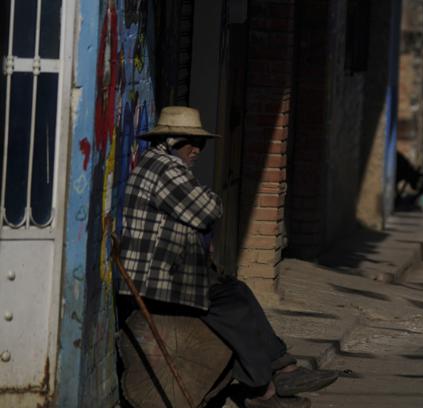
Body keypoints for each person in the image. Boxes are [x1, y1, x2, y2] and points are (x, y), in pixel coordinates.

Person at [119, 106, 339, 408]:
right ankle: (263, 389)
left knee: (238, 292)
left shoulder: (161, 166)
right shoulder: (165, 169)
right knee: (233, 308)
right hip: (156, 281)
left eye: (201, 144)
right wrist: (210, 202)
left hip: (168, 272)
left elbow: (201, 210)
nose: (197, 150)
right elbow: (209, 209)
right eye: (190, 143)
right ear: (170, 142)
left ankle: (282, 367)